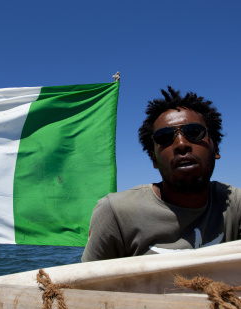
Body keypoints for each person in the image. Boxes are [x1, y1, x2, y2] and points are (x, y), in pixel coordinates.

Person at [82, 87, 241, 262]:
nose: (181, 144)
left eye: (194, 132)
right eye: (165, 137)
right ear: (154, 159)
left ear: (215, 148)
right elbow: (84, 284)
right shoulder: (116, 213)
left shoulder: (234, 205)